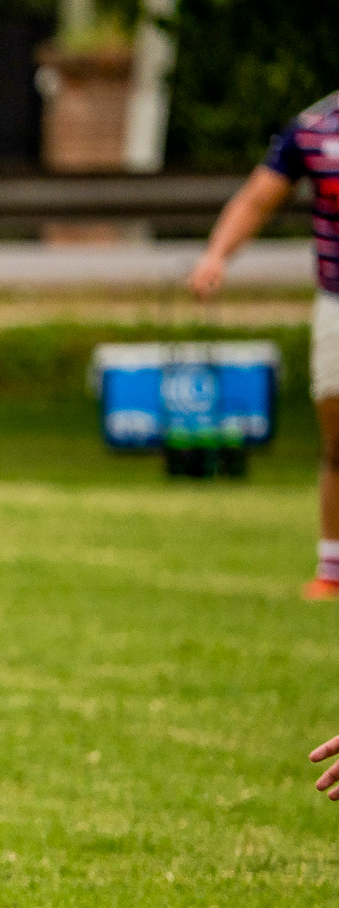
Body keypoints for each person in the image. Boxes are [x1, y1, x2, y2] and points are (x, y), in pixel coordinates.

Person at [190, 92, 339, 600]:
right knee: (336, 437)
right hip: (336, 302)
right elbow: (257, 199)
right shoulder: (315, 128)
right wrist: (216, 255)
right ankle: (332, 567)